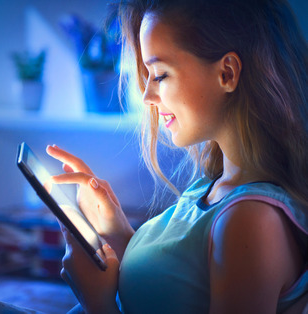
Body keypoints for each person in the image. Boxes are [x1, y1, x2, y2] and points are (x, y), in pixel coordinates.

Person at [45, 0, 308, 312]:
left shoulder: (251, 221)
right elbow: (175, 288)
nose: (147, 97)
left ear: (227, 73)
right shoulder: (212, 188)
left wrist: (97, 303)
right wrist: (117, 233)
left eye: (160, 75)